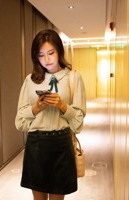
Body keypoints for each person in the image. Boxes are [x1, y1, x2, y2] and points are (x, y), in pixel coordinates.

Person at [15, 29, 86, 200]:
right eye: (41, 55)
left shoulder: (73, 77)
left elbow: (78, 123)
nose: (46, 59)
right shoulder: (30, 80)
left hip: (61, 143)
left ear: (59, 51)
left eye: (50, 53)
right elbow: (19, 122)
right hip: (36, 145)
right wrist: (37, 107)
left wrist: (62, 105)